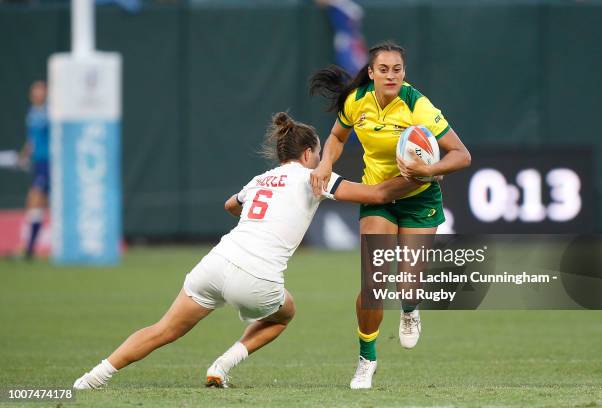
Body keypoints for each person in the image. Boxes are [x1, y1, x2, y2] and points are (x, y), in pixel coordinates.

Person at [73, 112, 423, 390]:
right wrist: (421, 175)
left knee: (163, 329)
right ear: (307, 154)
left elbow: (230, 206)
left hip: (217, 262)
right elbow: (377, 196)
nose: (322, 159)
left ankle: (93, 377)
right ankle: (222, 364)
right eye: (319, 153)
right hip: (256, 277)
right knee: (285, 313)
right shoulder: (314, 177)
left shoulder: (261, 179)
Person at [309, 41, 471, 389]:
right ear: (371, 73)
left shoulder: (417, 105)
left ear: (404, 73)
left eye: (397, 69)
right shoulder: (357, 101)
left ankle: (410, 309)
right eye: (383, 69)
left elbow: (461, 155)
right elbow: (338, 136)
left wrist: (428, 170)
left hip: (418, 198)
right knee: (373, 283)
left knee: (408, 286)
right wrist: (325, 162)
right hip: (378, 198)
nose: (391, 75)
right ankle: (366, 359)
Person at [19, 80, 50, 260]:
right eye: (35, 90)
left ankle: (30, 249)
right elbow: (32, 140)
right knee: (35, 202)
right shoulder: (32, 113)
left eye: (41, 90)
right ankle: (30, 249)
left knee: (36, 199)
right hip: (38, 162)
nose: (37, 93)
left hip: (50, 162)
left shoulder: (51, 111)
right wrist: (24, 155)